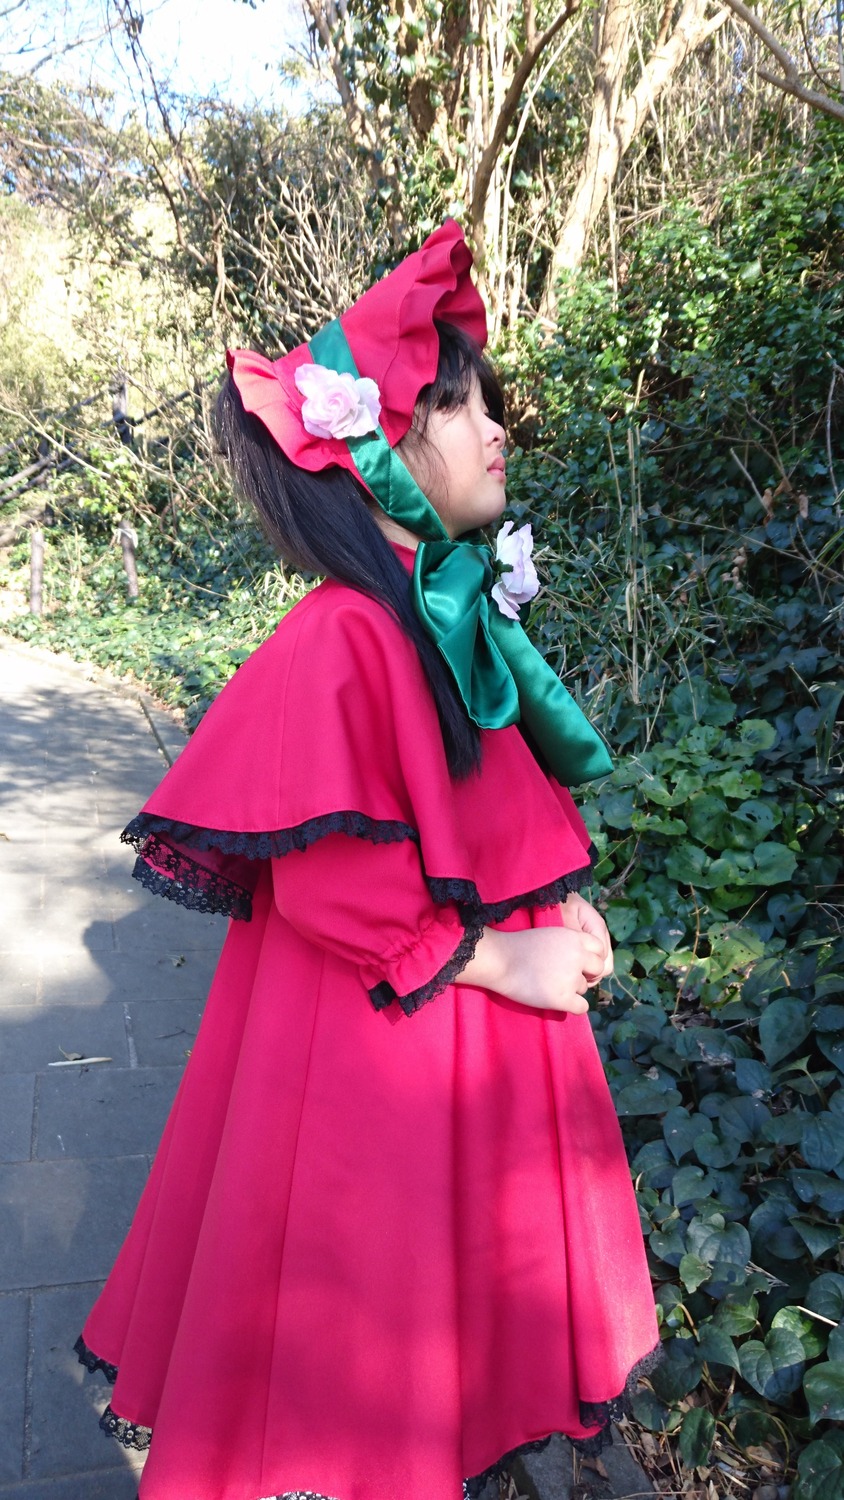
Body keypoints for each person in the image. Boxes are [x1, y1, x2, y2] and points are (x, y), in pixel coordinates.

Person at [75, 219, 659, 1500]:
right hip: (376, 1064)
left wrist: (561, 909)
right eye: (455, 406)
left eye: (486, 403)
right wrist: (505, 956)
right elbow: (337, 884)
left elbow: (496, 820)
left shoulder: (435, 621)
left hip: (449, 1045)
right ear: (380, 452)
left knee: (429, 1361)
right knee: (356, 1374)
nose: (494, 427)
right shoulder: (346, 635)